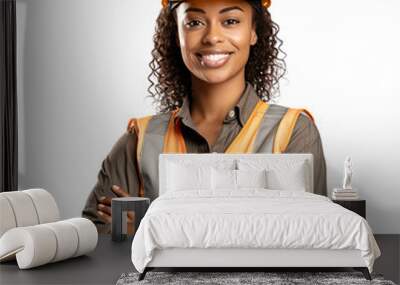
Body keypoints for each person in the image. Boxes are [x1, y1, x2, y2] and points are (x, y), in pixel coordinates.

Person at [82, 0, 327, 234]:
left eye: (230, 21)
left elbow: (306, 235)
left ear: (253, 31)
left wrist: (151, 227)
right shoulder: (140, 141)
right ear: (176, 34)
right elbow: (100, 238)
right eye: (195, 22)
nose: (212, 37)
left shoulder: (292, 132)